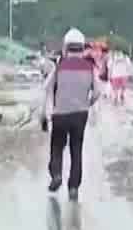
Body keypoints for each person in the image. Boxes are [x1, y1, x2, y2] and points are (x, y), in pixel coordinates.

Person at [42, 28, 98, 199]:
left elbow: (47, 89)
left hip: (60, 114)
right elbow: (97, 92)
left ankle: (57, 174)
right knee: (76, 149)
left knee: (57, 147)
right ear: (82, 48)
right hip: (80, 114)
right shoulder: (89, 67)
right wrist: (87, 103)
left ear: (66, 48)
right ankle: (73, 186)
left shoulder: (59, 67)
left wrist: (44, 114)